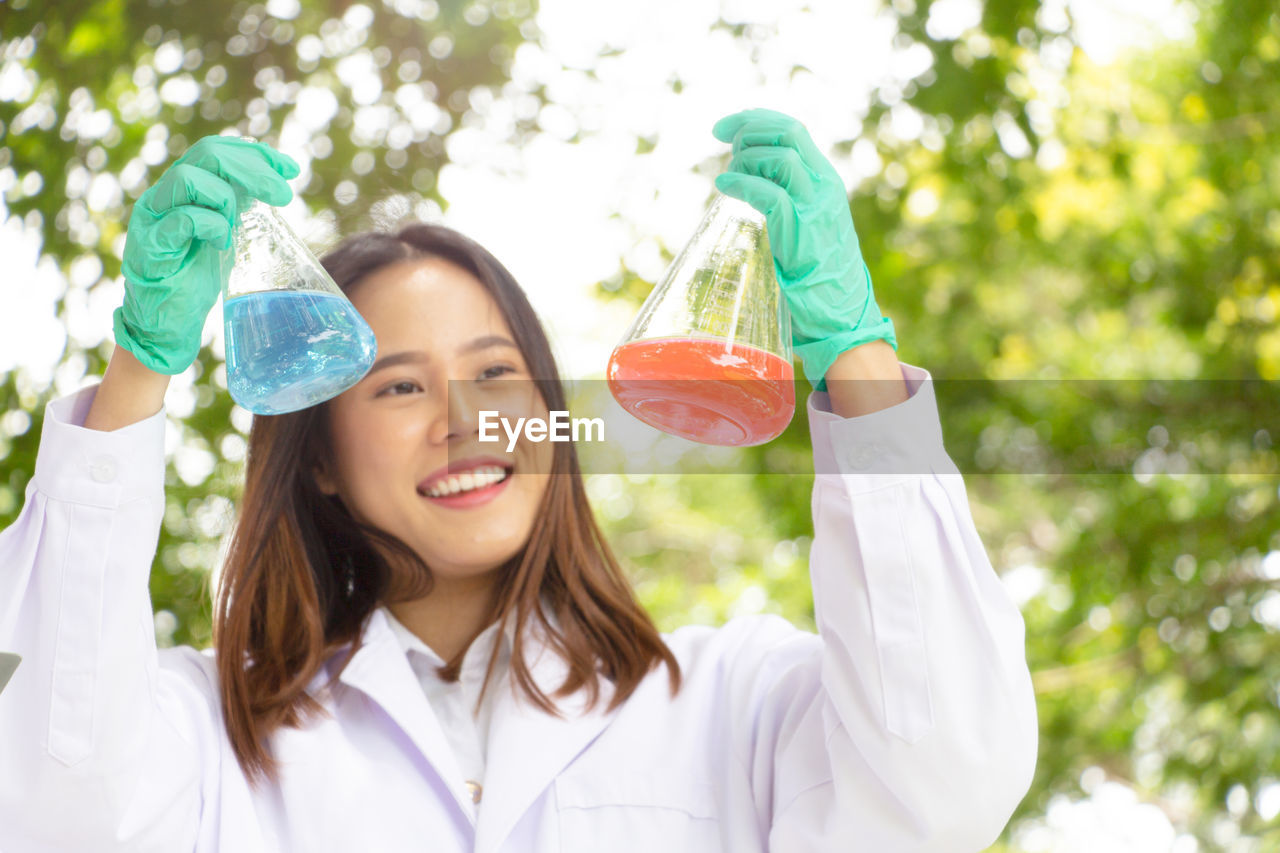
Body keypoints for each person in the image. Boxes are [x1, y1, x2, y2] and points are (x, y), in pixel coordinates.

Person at [0, 109, 1037, 852]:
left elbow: (940, 785)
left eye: (496, 373)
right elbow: (61, 810)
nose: (464, 422)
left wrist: (852, 354)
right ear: (315, 459)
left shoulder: (734, 701)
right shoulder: (210, 731)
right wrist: (140, 365)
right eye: (397, 387)